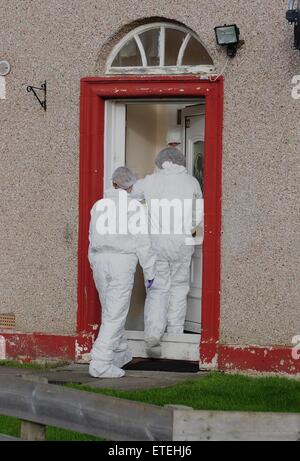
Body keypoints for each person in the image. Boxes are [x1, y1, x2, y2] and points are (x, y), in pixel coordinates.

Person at [131, 148, 203, 358]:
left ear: (160, 162)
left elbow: (131, 196)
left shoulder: (150, 182)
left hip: (157, 245)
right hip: (182, 244)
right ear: (181, 162)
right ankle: (176, 336)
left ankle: (153, 336)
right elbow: (198, 217)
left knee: (158, 290)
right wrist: (194, 241)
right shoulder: (192, 183)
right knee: (179, 288)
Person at [88, 167, 156, 378]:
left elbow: (92, 239)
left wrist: (94, 264)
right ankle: (100, 363)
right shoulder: (134, 207)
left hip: (100, 261)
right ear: (131, 185)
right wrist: (150, 273)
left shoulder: (98, 205)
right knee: (115, 315)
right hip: (121, 262)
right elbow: (143, 243)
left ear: (113, 183)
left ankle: (120, 353)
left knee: (109, 308)